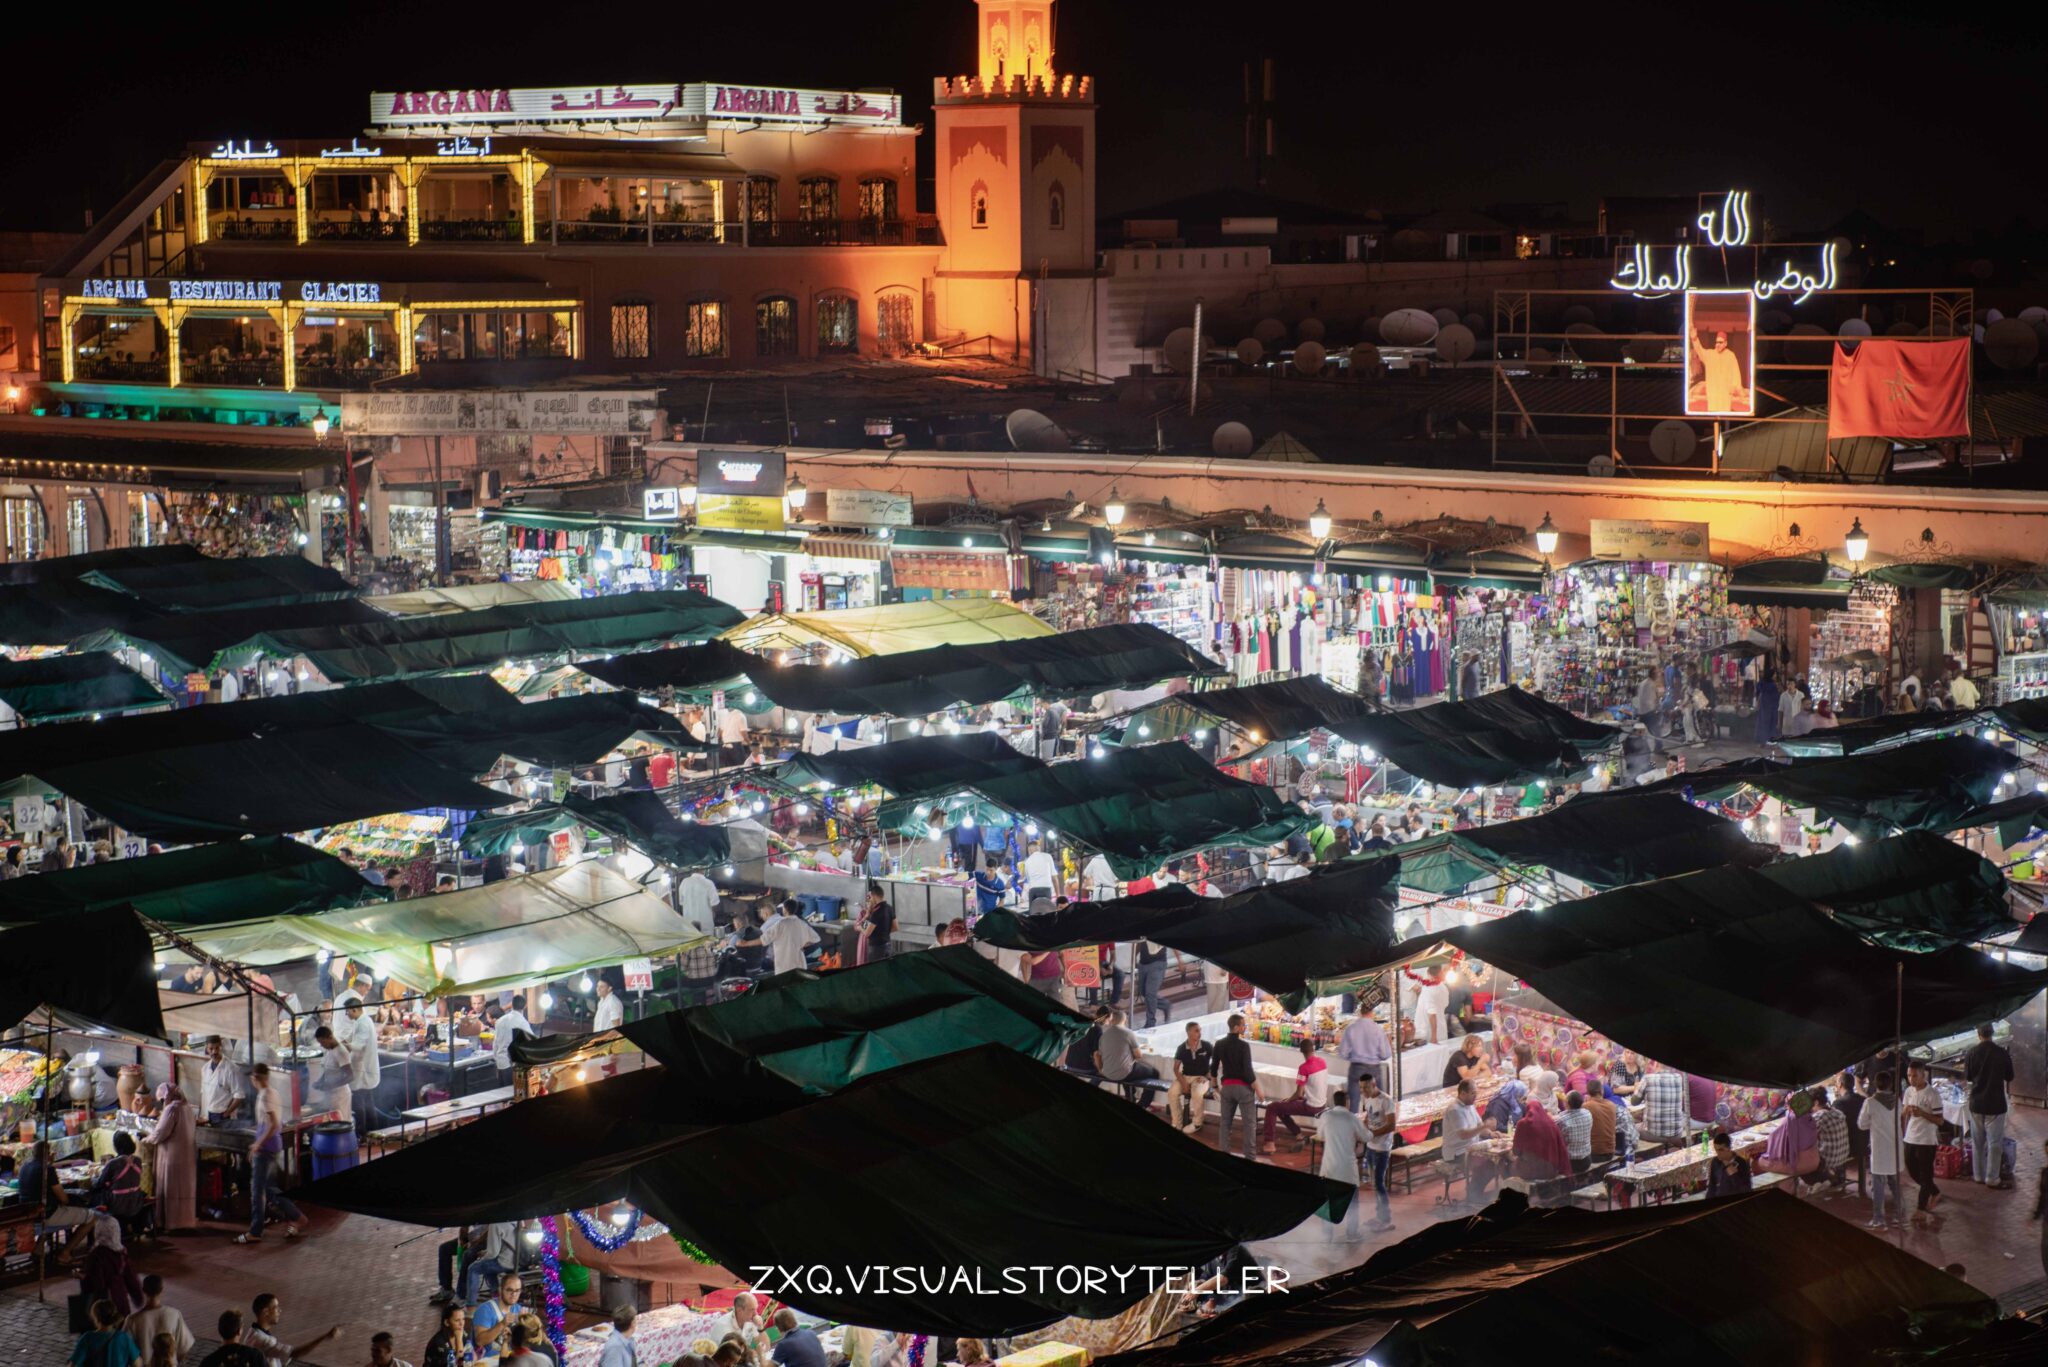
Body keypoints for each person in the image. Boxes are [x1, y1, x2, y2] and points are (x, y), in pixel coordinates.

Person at [236, 1065, 304, 1244]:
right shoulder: (271, 1092)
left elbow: (273, 1124)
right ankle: (296, 1217)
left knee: (257, 1191)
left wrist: (258, 1143)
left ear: (256, 1078)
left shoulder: (266, 1095)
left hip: (266, 1147)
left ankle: (256, 1231)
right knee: (268, 1189)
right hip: (270, 1144)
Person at [1963, 1022, 2016, 1189]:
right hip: (1996, 1104)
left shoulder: (1971, 1052)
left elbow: (1969, 1077)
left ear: (1979, 1034)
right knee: (1994, 1144)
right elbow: (2010, 1076)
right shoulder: (2001, 1053)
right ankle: (1992, 1178)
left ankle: (1978, 1175)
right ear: (1992, 1034)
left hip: (1976, 1103)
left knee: (1977, 1142)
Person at [139, 1082, 196, 1233]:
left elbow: (160, 1133)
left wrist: (146, 1139)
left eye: (162, 1099)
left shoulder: (172, 1109)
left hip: (172, 1156)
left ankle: (170, 1223)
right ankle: (185, 1221)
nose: (163, 1103)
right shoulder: (187, 1107)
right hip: (186, 1155)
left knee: (170, 1187)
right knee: (184, 1187)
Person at [1261, 1038, 1332, 1152]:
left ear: (1301, 1051)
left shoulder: (1304, 1068)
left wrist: (1288, 1100)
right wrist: (1290, 1100)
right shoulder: (1322, 1062)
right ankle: (1298, 1135)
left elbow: (1299, 1094)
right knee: (1281, 1107)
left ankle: (1270, 1144)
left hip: (1311, 1106)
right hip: (1321, 1103)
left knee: (1273, 1107)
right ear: (1313, 1049)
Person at [1858, 1070, 1903, 1229]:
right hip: (1895, 1146)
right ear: (1890, 1084)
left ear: (1875, 1085)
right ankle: (1899, 1215)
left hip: (1879, 1149)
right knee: (1894, 1181)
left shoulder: (1870, 1102)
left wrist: (1874, 1123)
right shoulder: (1897, 1100)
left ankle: (1878, 1218)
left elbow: (1861, 1124)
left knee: (1877, 1184)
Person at [1214, 1014, 1262, 1160]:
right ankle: (1249, 1157)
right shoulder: (1244, 1045)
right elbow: (1248, 1071)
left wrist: (1214, 1086)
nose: (1244, 1027)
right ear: (1236, 1027)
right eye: (1242, 1025)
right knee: (1249, 1124)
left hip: (1227, 1088)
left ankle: (1224, 1154)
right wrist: (1258, 1090)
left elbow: (1213, 1067)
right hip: (1243, 1089)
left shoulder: (1219, 1044)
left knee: (1225, 1123)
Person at [1901, 1062, 1945, 1218]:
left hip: (1926, 1139)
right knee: (1912, 1171)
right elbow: (1904, 1114)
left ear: (1923, 1075)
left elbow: (1940, 1121)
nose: (1911, 1079)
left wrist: (1922, 1114)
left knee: (1926, 1174)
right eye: (1909, 1075)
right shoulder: (1908, 1092)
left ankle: (1921, 1208)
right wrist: (1906, 1112)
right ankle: (1934, 1191)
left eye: (1914, 1076)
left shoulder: (1933, 1094)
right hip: (1910, 1137)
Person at [1442, 1079, 1497, 1203]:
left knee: (1497, 1162)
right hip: (1457, 1152)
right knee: (1487, 1164)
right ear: (1462, 1094)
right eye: (1473, 1093)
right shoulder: (1454, 1110)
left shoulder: (1470, 1105)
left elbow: (1479, 1126)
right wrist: (1484, 1126)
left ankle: (1475, 1191)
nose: (1475, 1096)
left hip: (1472, 1148)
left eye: (1475, 1093)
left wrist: (1492, 1134)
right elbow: (1463, 1134)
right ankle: (1473, 1194)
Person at [245, 1294, 338, 1367]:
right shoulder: (262, 1340)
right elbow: (294, 1353)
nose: (279, 1311)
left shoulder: (252, 1332)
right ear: (266, 1312)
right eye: (276, 1308)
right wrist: (324, 1337)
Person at [1356, 1070, 1398, 1229]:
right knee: (1374, 1182)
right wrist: (1363, 1130)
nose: (1363, 1091)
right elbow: (1368, 1116)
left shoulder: (1386, 1100)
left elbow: (1392, 1125)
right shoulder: (1367, 1099)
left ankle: (1385, 1218)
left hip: (1382, 1149)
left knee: (1379, 1183)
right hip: (1371, 1148)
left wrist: (1372, 1134)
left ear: (1374, 1085)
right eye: (1361, 1088)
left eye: (1366, 1088)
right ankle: (1379, 1215)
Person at [337, 991, 383, 1132]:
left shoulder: (363, 1023)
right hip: (363, 1069)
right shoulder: (362, 1021)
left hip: (363, 1069)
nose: (347, 1015)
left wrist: (344, 1046)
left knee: (359, 1104)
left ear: (354, 1010)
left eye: (347, 1012)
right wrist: (342, 1041)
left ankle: (363, 1134)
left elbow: (358, 1046)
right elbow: (353, 1039)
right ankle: (373, 1132)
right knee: (368, 1103)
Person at [1094, 1009, 1160, 1106]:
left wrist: (1100, 1069)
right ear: (1125, 1020)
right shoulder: (1128, 1033)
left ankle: (1130, 1098)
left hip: (1107, 1072)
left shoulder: (1104, 1035)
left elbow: (1098, 1054)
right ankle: (1143, 1104)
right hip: (1124, 1072)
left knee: (1125, 1066)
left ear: (1112, 1020)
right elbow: (1138, 1055)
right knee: (1154, 1073)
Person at [122, 1276, 194, 1360]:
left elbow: (125, 1351)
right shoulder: (174, 1314)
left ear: (143, 1290)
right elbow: (184, 1348)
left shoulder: (132, 1320)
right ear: (162, 1289)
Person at [1511, 1090, 1571, 1185]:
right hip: (1550, 1171)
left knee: (1510, 1163)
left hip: (1528, 1171)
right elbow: (1560, 1146)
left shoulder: (1522, 1124)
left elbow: (1516, 1151)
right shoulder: (1551, 1123)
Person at [1338, 1008, 1391, 1107]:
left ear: (1360, 1013)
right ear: (1372, 1013)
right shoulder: (1378, 1029)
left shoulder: (1351, 1028)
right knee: (1379, 1101)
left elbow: (1343, 1053)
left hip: (1356, 1067)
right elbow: (1385, 1054)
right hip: (1374, 1068)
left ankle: (1354, 1118)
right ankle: (1379, 1119)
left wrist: (1353, 1055)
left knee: (1354, 1101)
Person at [1168, 1022, 1214, 1135]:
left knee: (1197, 1093)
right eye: (1196, 1031)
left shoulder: (1207, 1046)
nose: (1200, 1033)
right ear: (1188, 1032)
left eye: (1200, 1030)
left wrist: (1207, 1076)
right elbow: (1176, 1069)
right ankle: (1176, 1123)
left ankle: (1197, 1123)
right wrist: (1183, 1083)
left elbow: (1217, 1062)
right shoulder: (1182, 1048)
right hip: (1185, 1076)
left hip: (1201, 1078)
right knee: (1172, 1092)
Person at [72, 1298, 141, 1367]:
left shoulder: (87, 1338)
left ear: (96, 1318)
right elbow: (137, 1364)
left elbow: (73, 1365)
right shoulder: (123, 1337)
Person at [1691, 328, 1748, 413]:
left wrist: (1735, 387)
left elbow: (1736, 373)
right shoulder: (1710, 354)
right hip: (1713, 392)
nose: (1718, 344)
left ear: (1725, 343)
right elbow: (1699, 350)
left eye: (1720, 342)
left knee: (1725, 413)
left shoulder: (1730, 355)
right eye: (1716, 342)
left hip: (1725, 393)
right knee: (1713, 413)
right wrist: (1695, 339)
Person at [759, 900, 821, 976]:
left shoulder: (767, 927)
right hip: (812, 953)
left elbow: (761, 946)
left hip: (805, 956)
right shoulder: (795, 921)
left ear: (765, 914)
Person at [465, 1222, 519, 1306]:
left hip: (506, 1262)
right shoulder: (514, 1221)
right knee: (487, 1266)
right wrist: (485, 1254)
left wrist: (482, 1258)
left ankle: (471, 1304)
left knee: (473, 1269)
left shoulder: (495, 1225)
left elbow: (493, 1253)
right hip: (518, 1261)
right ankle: (496, 1294)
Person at [310, 1024, 355, 1123]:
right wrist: (320, 1081)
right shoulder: (329, 1050)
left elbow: (350, 1076)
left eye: (323, 1042)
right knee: (332, 1122)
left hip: (340, 1096)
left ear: (330, 1037)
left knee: (342, 1123)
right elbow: (328, 1070)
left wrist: (331, 1085)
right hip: (331, 1095)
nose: (322, 1045)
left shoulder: (341, 1052)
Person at [1811, 1084, 1852, 1191]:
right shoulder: (1837, 1112)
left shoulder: (1819, 1117)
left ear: (1816, 1102)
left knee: (1802, 1156)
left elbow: (1804, 1137)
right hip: (1843, 1156)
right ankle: (1830, 1178)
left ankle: (1820, 1180)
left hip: (1830, 1159)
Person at [1637, 1065, 1691, 1142]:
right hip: (1677, 1133)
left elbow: (1634, 1101)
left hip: (1653, 1134)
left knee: (1632, 1128)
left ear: (1656, 1064)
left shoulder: (1647, 1078)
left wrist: (1638, 1089)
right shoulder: (1678, 1077)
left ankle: (1649, 1153)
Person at [200, 1035, 243, 1123]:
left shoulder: (231, 1069)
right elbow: (203, 1092)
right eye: (211, 1048)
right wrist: (201, 1112)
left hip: (222, 1115)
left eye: (217, 1048)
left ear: (221, 1047)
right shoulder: (205, 1068)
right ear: (207, 1049)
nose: (214, 1051)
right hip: (207, 1114)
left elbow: (239, 1095)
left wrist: (226, 1114)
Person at [491, 995, 533, 1075]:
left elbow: (495, 1043)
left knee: (502, 1088)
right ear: (525, 1006)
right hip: (511, 1065)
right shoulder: (521, 1022)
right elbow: (531, 1041)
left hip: (500, 1063)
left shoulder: (500, 1020)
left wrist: (496, 1060)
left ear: (512, 1005)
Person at [1706, 1128, 1752, 1197]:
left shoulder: (1741, 1163)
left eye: (1721, 1150)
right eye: (1716, 1150)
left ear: (1729, 1148)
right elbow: (1712, 1186)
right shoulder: (1715, 1162)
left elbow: (1746, 1189)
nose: (1718, 1153)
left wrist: (1734, 1175)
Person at [1409, 968, 1450, 1046]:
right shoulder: (1444, 987)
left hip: (1429, 1034)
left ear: (1428, 974)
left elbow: (1432, 1014)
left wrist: (1433, 1036)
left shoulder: (1428, 989)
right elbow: (1445, 1005)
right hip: (1441, 1031)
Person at [1557, 1090, 1593, 1176]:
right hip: (1586, 1160)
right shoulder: (1587, 1113)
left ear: (1567, 1103)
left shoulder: (1562, 1119)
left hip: (1570, 1163)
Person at [1021, 841, 1058, 905]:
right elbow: (1054, 877)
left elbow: (1027, 879)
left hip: (1033, 890)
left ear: (1029, 850)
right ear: (1038, 848)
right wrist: (1058, 894)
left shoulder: (1027, 861)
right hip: (1046, 889)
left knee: (1034, 912)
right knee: (1046, 912)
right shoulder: (1048, 856)